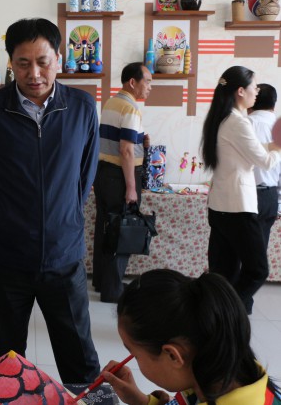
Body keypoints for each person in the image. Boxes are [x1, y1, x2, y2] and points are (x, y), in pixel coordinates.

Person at [0, 18, 101, 383]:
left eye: (43, 61)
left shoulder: (82, 108)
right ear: (11, 63)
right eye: (23, 63)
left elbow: (84, 178)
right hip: (5, 262)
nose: (34, 73)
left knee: (81, 360)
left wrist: (62, 222)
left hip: (64, 258)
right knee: (6, 365)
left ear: (59, 59)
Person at [102, 269, 281, 405]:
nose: (131, 360)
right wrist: (140, 401)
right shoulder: (220, 371)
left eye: (134, 354)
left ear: (173, 356)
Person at [201, 66, 281, 314]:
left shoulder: (224, 118)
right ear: (240, 91)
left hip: (221, 207)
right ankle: (227, 312)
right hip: (237, 208)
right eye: (253, 87)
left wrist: (273, 144)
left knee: (223, 273)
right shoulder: (237, 122)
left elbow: (255, 149)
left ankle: (214, 318)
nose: (256, 92)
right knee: (257, 270)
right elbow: (265, 161)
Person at [92, 63, 152, 303]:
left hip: (104, 173)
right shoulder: (130, 108)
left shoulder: (111, 103)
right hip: (120, 176)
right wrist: (131, 187)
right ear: (132, 82)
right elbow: (125, 150)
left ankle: (102, 281)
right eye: (147, 81)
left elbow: (120, 142)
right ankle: (113, 290)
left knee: (105, 226)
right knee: (122, 228)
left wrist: (141, 143)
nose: (150, 87)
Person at [248, 83, 281, 250]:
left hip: (246, 194)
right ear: (274, 104)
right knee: (258, 253)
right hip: (270, 196)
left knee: (236, 253)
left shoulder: (244, 124)